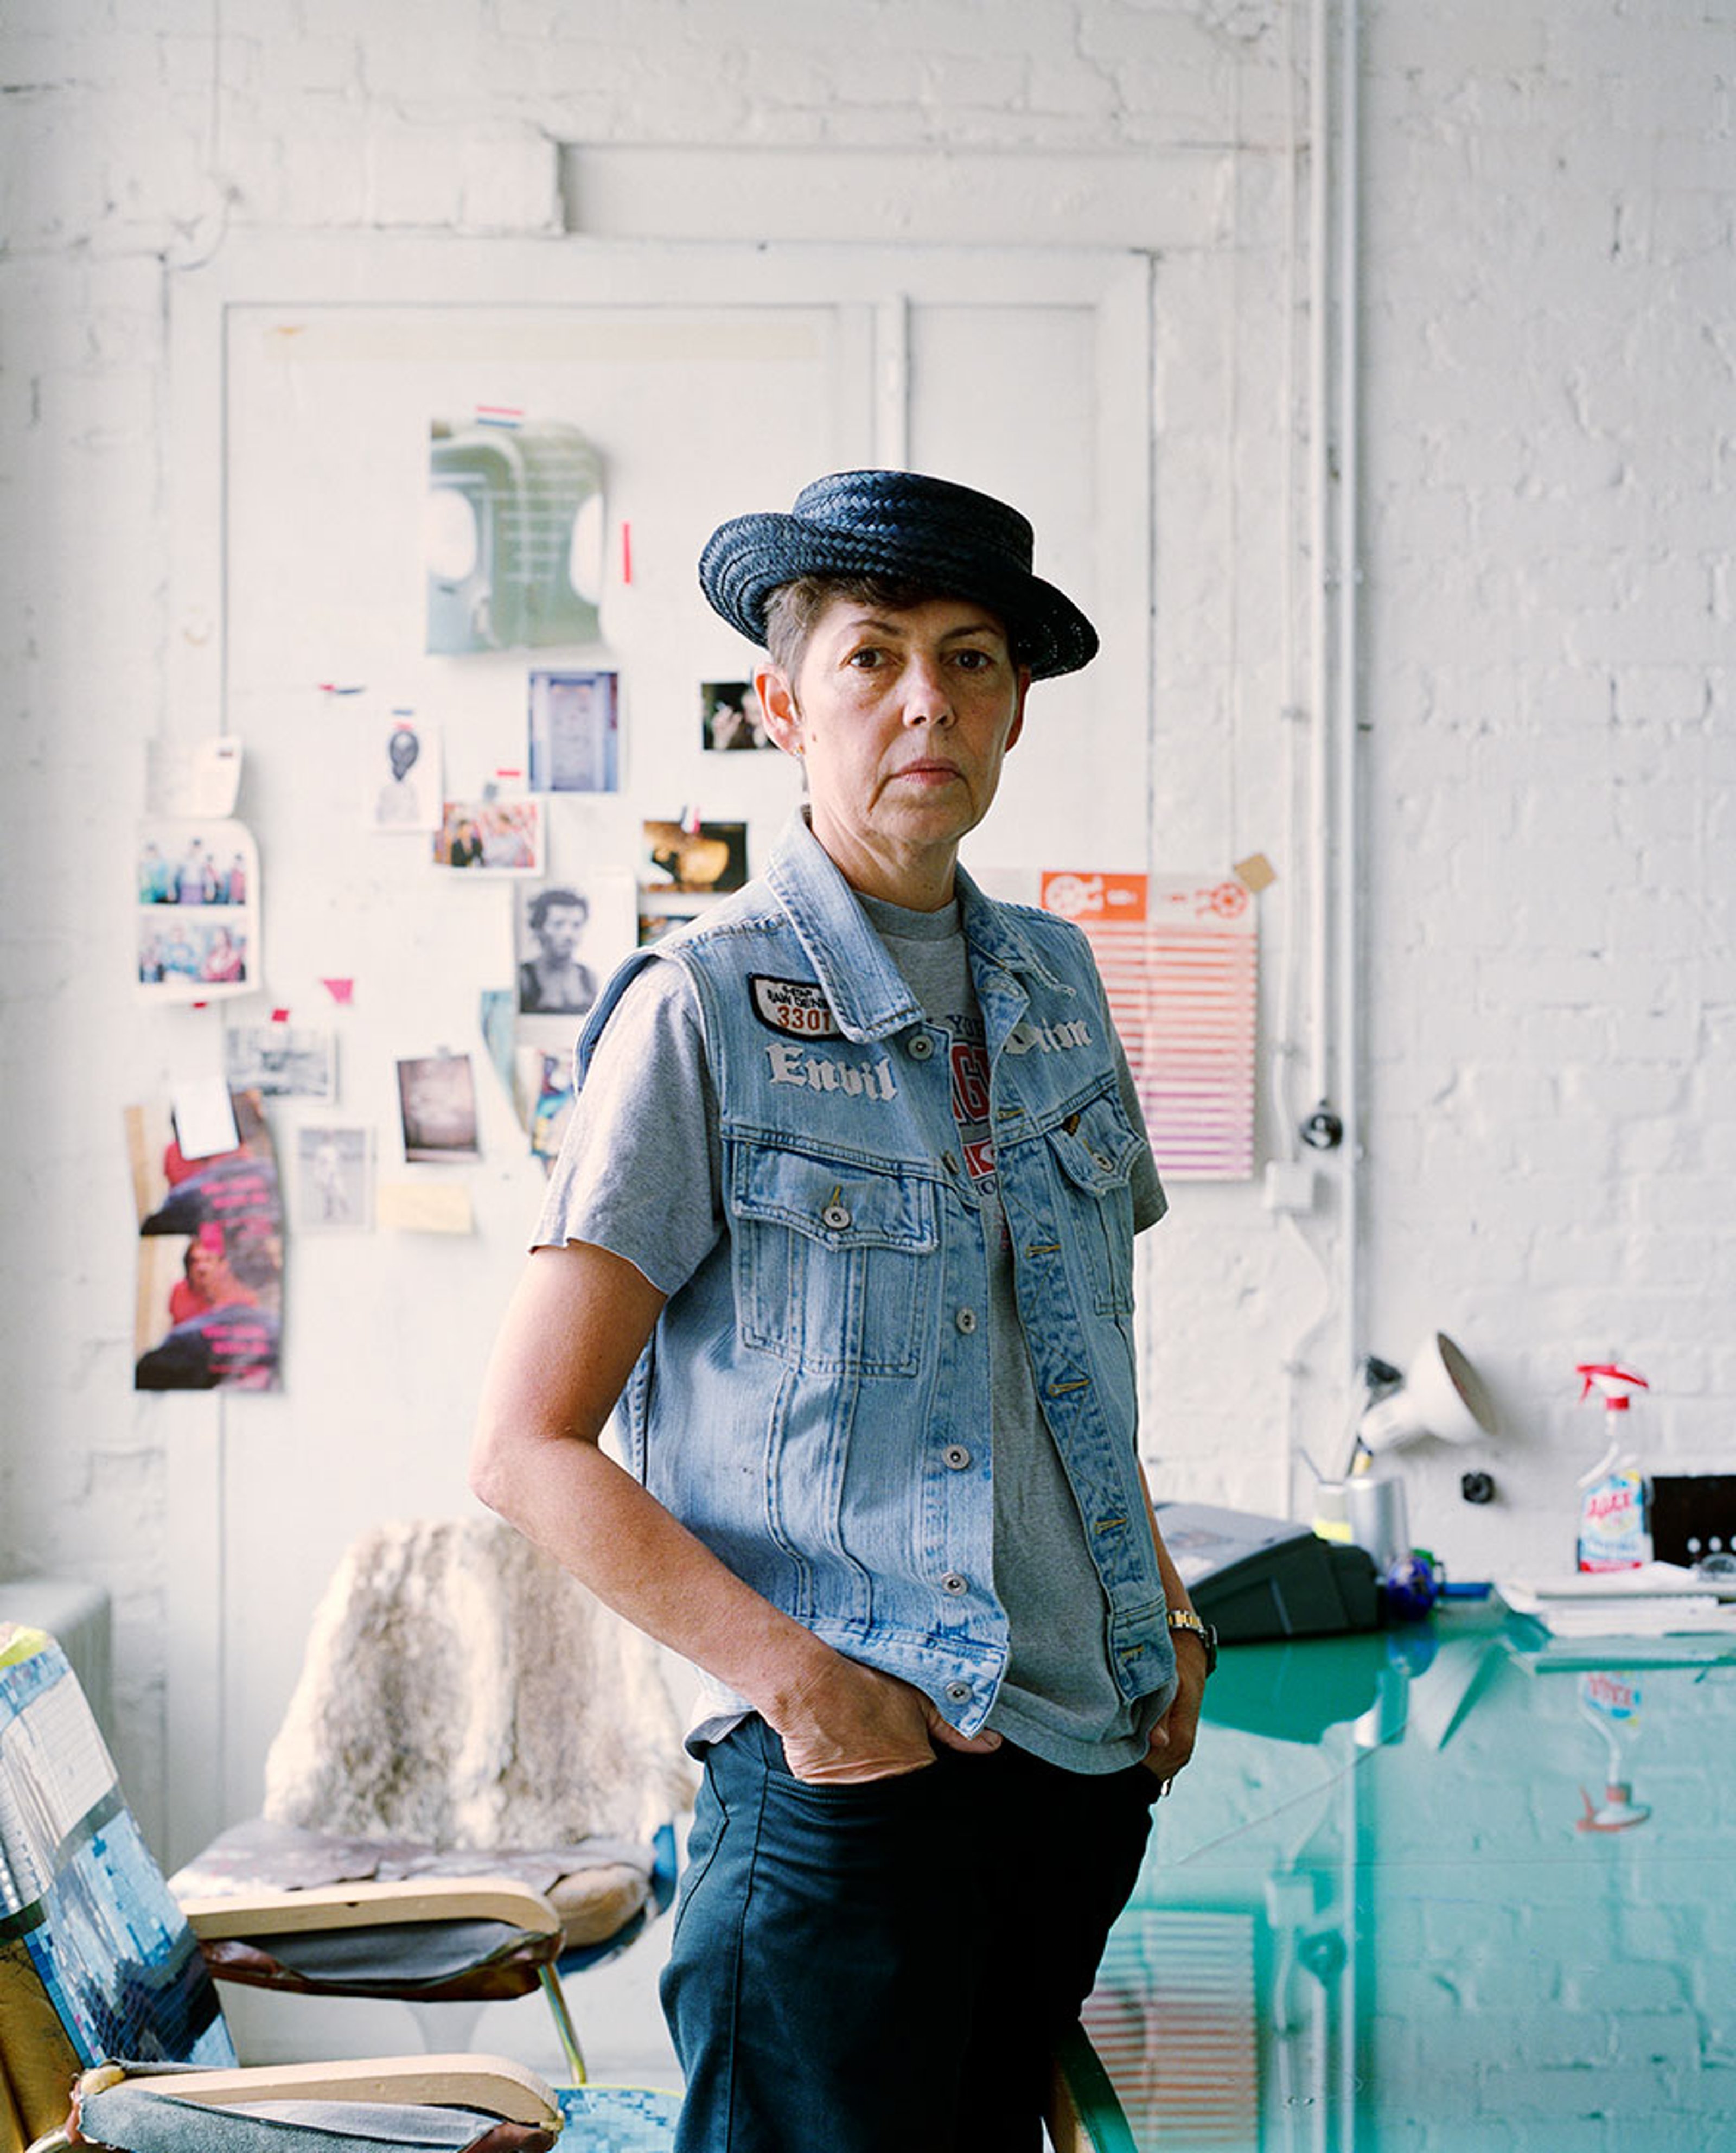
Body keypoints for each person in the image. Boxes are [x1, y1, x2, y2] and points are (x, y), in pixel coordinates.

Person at [472, 469, 1214, 2153]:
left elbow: (1070, 1363)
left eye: (966, 658)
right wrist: (808, 1693)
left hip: (1077, 1777)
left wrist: (1161, 1609)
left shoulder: (1056, 982)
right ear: (783, 699)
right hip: (842, 1801)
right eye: (872, 656)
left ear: (1016, 705)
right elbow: (525, 1444)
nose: (922, 701)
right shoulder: (698, 1009)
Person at [518, 887, 598, 1016]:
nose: (568, 934)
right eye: (558, 924)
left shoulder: (588, 978)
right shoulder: (524, 977)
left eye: (576, 925)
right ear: (539, 928)